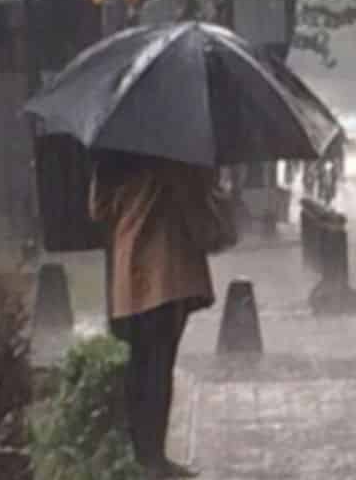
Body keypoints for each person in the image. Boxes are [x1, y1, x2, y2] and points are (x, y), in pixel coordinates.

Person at [89, 151, 222, 479]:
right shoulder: (177, 153)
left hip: (129, 270)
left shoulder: (112, 158)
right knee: (160, 365)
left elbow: (97, 211)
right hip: (167, 271)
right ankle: (154, 459)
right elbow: (198, 203)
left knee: (138, 362)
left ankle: (141, 454)